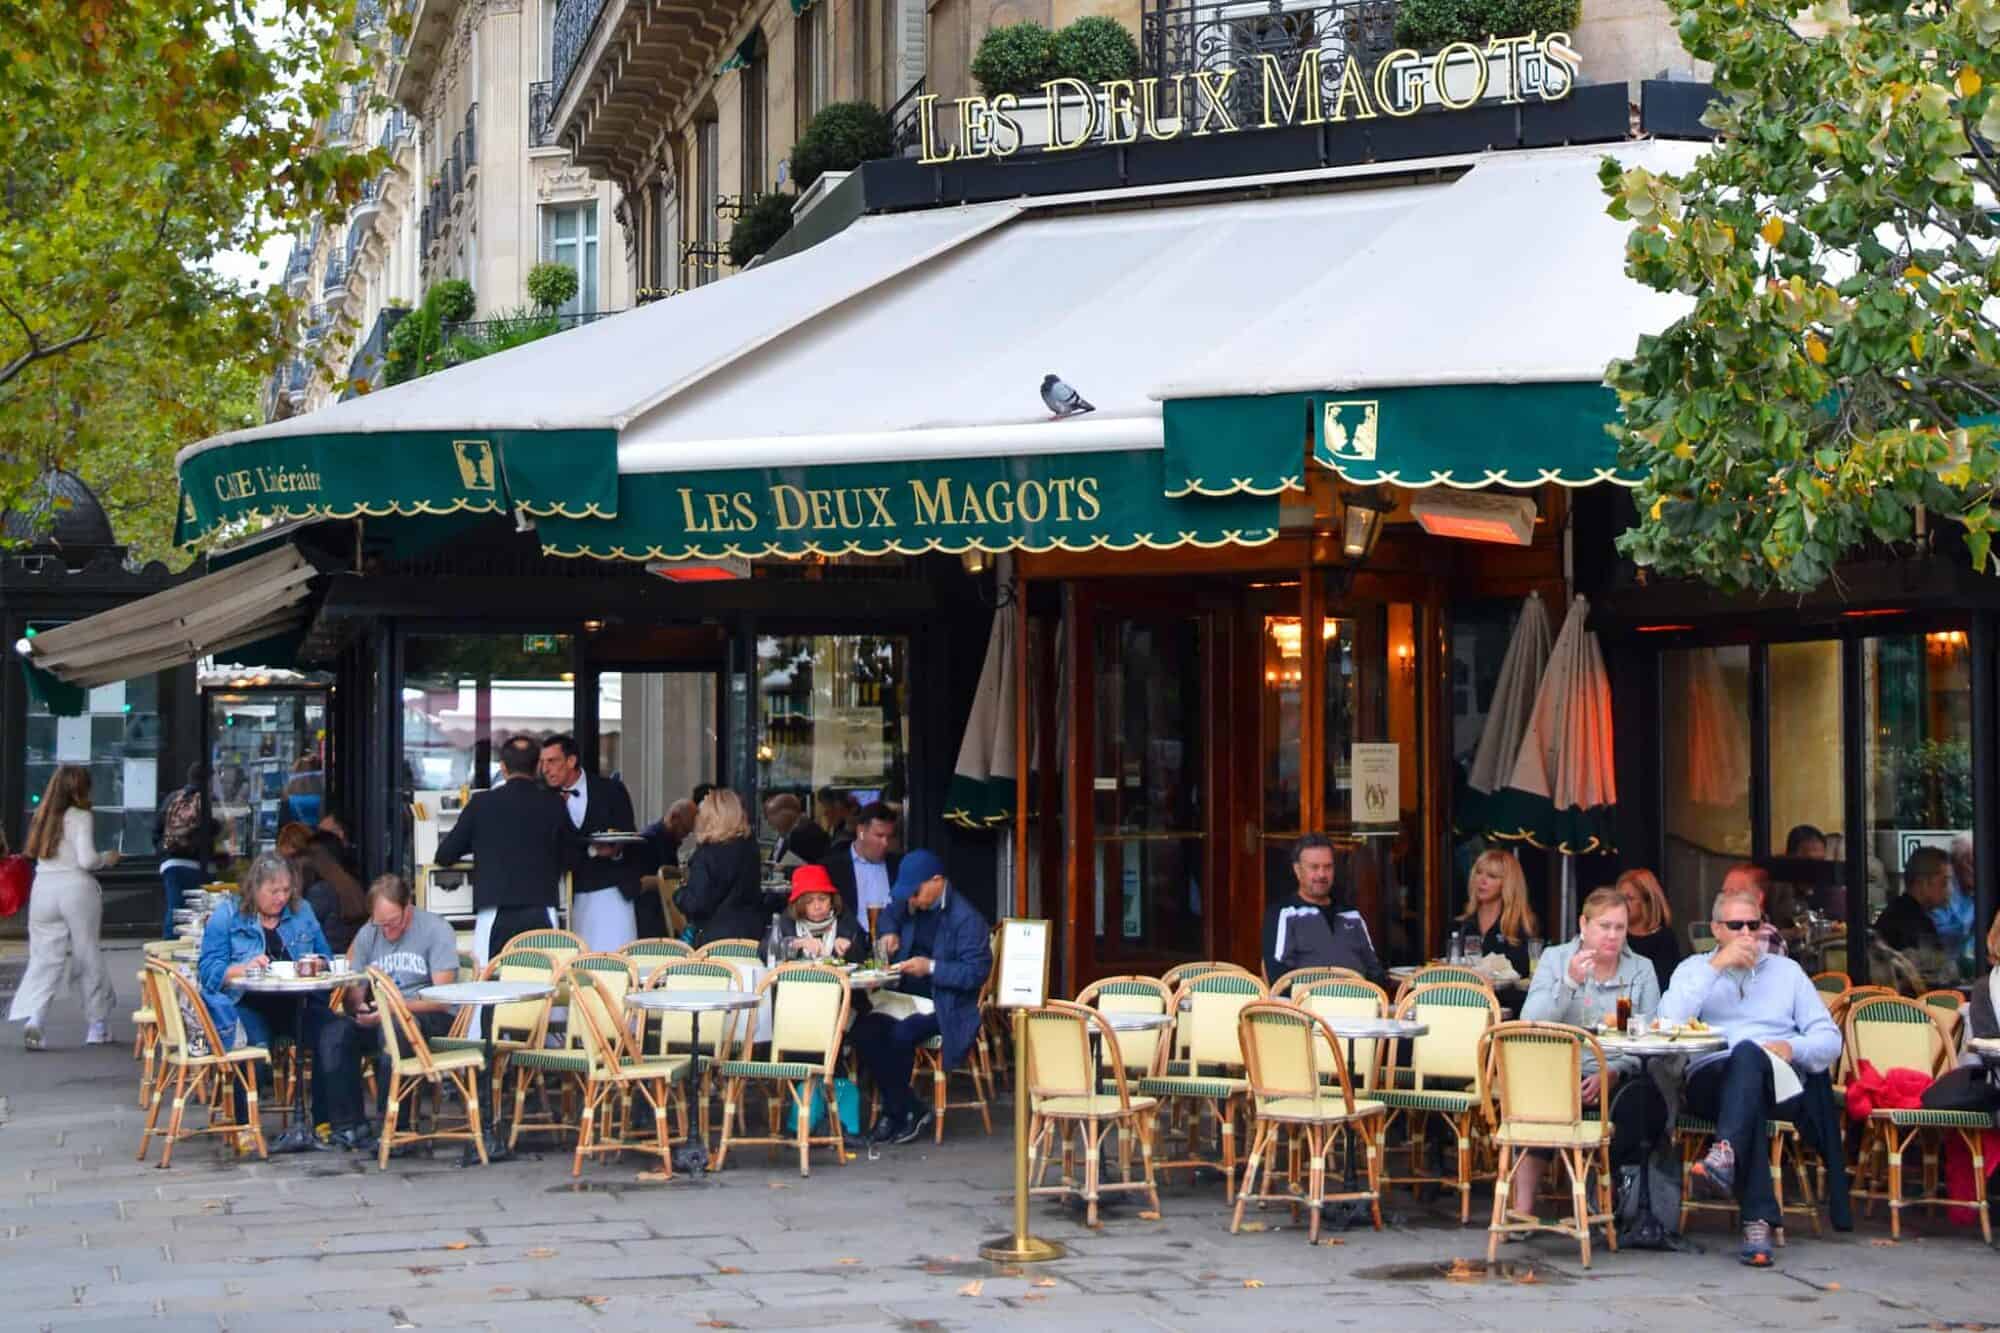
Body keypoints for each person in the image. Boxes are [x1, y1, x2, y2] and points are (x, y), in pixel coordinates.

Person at [1660, 887, 1844, 1267]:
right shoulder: (1694, 969)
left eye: (1754, 924)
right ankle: (1755, 1217)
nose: (1747, 934)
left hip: (1779, 1076)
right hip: (1710, 1076)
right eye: (1736, 925)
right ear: (1716, 929)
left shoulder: (1787, 972)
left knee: (1750, 1060)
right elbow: (1667, 1026)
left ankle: (1728, 1162)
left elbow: (1829, 1039)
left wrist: (1794, 1049)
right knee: (1746, 1078)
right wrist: (1716, 968)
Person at [1512, 887, 1664, 1216]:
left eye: (1620, 928)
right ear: (1584, 924)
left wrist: (1613, 1071)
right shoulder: (1556, 959)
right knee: (1540, 1102)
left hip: (1617, 1069)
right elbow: (1530, 1020)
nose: (1612, 936)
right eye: (1604, 926)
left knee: (1644, 1103)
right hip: (1561, 1069)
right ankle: (1522, 1209)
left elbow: (1651, 1034)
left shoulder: (1642, 969)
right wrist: (1569, 981)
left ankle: (1611, 1195)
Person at [857, 849, 992, 1144]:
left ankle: (895, 1113)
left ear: (936, 881)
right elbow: (890, 913)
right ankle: (910, 1109)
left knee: (901, 1035)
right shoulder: (911, 903)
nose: (912, 900)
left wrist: (930, 967)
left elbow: (975, 974)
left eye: (916, 893)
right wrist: (888, 933)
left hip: (946, 1004)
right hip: (904, 998)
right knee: (863, 1031)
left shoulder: (967, 919)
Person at [316, 875, 459, 1150]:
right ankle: (349, 1126)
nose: (388, 932)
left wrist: (390, 1008)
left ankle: (393, 1127)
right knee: (334, 1033)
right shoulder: (370, 932)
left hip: (427, 1015)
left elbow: (442, 999)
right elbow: (353, 993)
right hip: (383, 1013)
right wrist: (356, 998)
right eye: (381, 924)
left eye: (394, 923)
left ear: (409, 907)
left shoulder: (435, 929)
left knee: (394, 1029)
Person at [197, 852, 334, 1128]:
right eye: (274, 891)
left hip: (297, 1001)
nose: (281, 898)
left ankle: (325, 1123)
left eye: (286, 890)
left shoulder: (302, 911)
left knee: (332, 1034)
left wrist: (319, 963)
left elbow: (326, 956)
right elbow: (208, 972)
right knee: (253, 1050)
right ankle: (245, 1127)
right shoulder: (228, 914)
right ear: (254, 888)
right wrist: (243, 968)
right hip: (247, 1002)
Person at [434, 736, 573, 966]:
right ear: (537, 766)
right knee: (543, 985)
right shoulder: (554, 804)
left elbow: (445, 855)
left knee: (491, 985)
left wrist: (481, 844)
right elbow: (571, 858)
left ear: (503, 768)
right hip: (542, 906)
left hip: (495, 908)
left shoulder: (481, 804)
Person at [9, 765, 121, 1050]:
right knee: (86, 953)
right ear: (80, 788)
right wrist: (107, 858)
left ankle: (35, 1019)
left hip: (43, 888)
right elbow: (86, 860)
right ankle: (97, 1025)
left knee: (44, 957)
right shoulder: (80, 816)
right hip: (75, 888)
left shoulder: (42, 816)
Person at [540, 733, 641, 952]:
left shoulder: (611, 790)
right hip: (567, 895)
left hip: (612, 889)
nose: (546, 769)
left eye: (552, 761)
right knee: (576, 966)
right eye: (542, 763)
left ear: (571, 761)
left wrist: (616, 851)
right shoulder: (542, 798)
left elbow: (628, 834)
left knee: (618, 959)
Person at [1261, 833, 1384, 986]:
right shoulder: (1284, 914)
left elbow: (1375, 971)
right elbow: (1278, 978)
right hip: (1305, 1006)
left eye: (1328, 867)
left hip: (1359, 1004)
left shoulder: (1352, 916)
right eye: (1314, 867)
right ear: (1298, 870)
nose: (1322, 874)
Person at [673, 788, 766, 944]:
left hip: (715, 939)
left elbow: (697, 904)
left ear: (709, 818)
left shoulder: (707, 854)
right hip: (752, 934)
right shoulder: (750, 847)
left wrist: (679, 894)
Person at [1455, 847, 1537, 1002]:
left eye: (1492, 876)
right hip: (1465, 1004)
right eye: (1479, 873)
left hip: (1507, 1010)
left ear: (1507, 884)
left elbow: (1525, 979)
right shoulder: (1462, 925)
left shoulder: (1521, 928)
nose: (1482, 880)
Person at [1874, 846, 1953, 988]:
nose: (1949, 890)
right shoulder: (1912, 923)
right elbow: (1931, 975)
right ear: (1923, 882)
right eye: (1944, 882)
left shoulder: (1897, 911)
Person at [155, 761, 215, 941]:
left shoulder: (173, 798)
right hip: (197, 864)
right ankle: (192, 946)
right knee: (199, 911)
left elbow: (156, 828)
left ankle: (169, 945)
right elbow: (214, 831)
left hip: (171, 863)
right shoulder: (208, 800)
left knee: (175, 908)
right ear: (210, 780)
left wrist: (163, 852)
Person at [289, 820, 366, 956]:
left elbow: (300, 927)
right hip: (345, 957)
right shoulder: (346, 885)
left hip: (329, 959)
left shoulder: (319, 893)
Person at [823, 801, 902, 926]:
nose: (885, 843)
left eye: (889, 837)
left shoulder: (899, 865)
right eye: (879, 835)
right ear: (861, 832)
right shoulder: (831, 868)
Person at [779, 863, 868, 961]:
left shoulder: (844, 918)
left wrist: (849, 947)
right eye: (809, 901)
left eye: (822, 899)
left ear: (832, 899)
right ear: (799, 904)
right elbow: (765, 952)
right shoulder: (788, 919)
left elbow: (866, 952)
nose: (817, 906)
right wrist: (797, 943)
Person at [1617, 868, 1682, 993]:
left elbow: (1664, 986)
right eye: (1619, 898)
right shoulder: (1614, 935)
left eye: (1629, 898)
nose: (1622, 904)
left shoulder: (1664, 940)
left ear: (1647, 902)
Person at [1938, 832, 1978, 977]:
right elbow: (1940, 932)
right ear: (1956, 863)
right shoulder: (1942, 890)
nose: (1976, 870)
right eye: (1971, 863)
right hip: (1944, 970)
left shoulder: (1982, 891)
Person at [768, 792, 831, 868]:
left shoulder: (801, 832)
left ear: (786, 813)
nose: (770, 822)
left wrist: (782, 868)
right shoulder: (803, 826)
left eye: (773, 814)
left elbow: (794, 867)